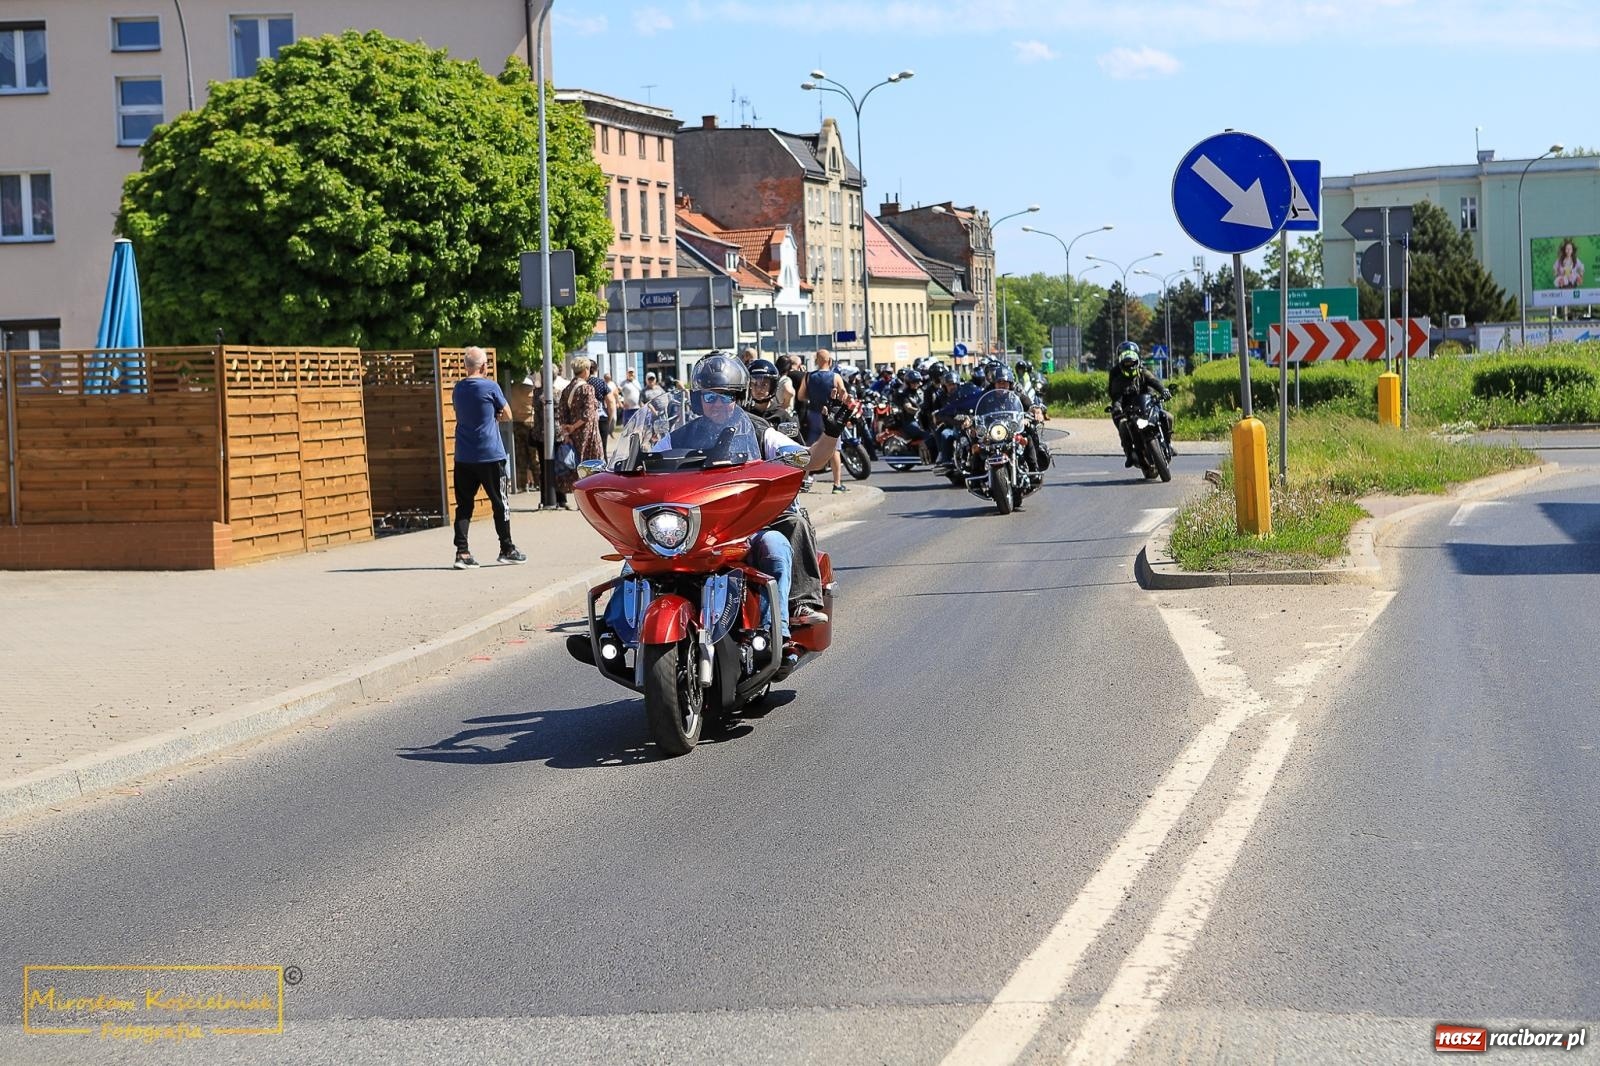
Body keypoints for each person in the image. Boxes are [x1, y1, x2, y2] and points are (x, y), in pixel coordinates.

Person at [591, 354, 851, 668]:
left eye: (726, 397)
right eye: (710, 397)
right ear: (698, 399)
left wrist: (831, 433)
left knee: (777, 547)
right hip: (692, 532)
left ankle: (775, 634)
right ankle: (611, 631)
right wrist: (620, 472)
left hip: (745, 529)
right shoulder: (678, 437)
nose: (717, 404)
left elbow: (810, 459)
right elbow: (643, 468)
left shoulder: (760, 431)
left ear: (738, 398)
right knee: (636, 559)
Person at [450, 346, 525, 568]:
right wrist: (495, 415)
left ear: (466, 366)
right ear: (484, 366)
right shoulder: (491, 386)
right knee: (500, 503)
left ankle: (462, 552)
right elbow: (508, 414)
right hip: (490, 454)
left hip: (464, 455)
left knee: (464, 505)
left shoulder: (458, 389)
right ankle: (507, 548)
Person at [1108, 342, 1172, 468]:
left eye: (1132, 363)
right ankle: (1129, 454)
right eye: (1127, 364)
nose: (1130, 366)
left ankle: (1168, 444)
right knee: (1123, 425)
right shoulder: (1117, 378)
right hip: (1128, 409)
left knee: (1168, 417)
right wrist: (1117, 407)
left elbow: (1154, 381)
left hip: (1147, 404)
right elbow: (1116, 396)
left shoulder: (1143, 371)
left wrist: (1163, 390)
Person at [797, 348, 849, 494]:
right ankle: (837, 484)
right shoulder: (835, 377)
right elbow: (843, 394)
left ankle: (804, 481)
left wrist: (812, 397)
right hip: (831, 415)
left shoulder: (808, 376)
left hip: (813, 414)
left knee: (810, 447)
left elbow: (800, 396)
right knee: (834, 448)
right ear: (830, 361)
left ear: (816, 361)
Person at [557, 357, 605, 504]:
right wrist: (575, 426)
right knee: (593, 465)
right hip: (588, 434)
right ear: (585, 370)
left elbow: (562, 413)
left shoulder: (567, 389)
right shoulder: (587, 388)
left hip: (573, 435)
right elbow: (588, 414)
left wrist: (567, 432)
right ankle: (590, 500)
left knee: (577, 466)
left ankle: (579, 498)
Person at [507, 374, 539, 493]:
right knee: (535, 456)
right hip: (531, 423)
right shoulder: (532, 389)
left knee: (520, 457)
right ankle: (539, 483)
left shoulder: (512, 389)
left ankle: (521, 484)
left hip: (517, 423)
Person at [742, 358, 791, 422]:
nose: (759, 389)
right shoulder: (744, 415)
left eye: (764, 384)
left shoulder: (782, 416)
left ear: (772, 386)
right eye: (754, 384)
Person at [595, 371, 618, 448]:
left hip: (608, 407)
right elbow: (610, 401)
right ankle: (609, 431)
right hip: (603, 411)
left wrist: (617, 402)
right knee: (602, 445)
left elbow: (616, 393)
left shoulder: (612, 384)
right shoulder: (602, 383)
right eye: (606, 377)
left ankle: (611, 431)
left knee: (614, 419)